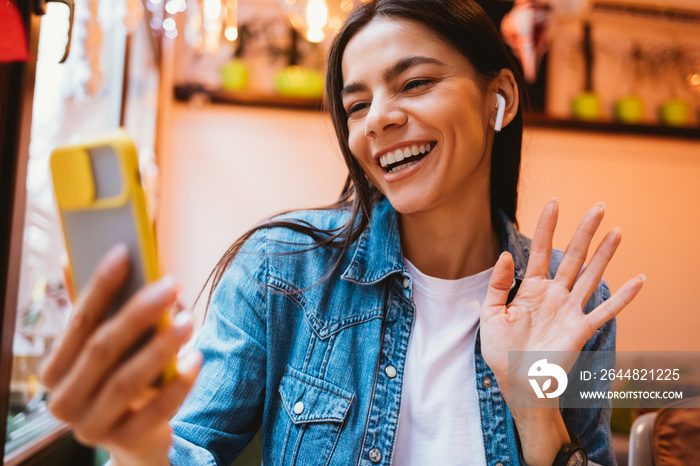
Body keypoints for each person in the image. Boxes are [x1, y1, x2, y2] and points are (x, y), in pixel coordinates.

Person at [40, 0, 645, 465]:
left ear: (500, 97)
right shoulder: (284, 270)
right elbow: (189, 446)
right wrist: (142, 445)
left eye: (414, 84)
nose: (377, 119)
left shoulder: (573, 303)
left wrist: (536, 408)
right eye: (356, 106)